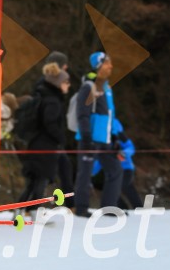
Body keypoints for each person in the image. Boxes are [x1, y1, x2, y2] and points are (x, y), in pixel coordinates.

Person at [73, 52, 124, 217]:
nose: (111, 66)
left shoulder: (107, 87)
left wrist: (115, 136)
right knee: (85, 173)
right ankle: (81, 208)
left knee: (115, 170)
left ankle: (109, 208)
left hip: (105, 139)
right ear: (99, 65)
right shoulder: (89, 86)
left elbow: (110, 115)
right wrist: (86, 135)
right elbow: (82, 113)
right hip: (90, 139)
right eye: (107, 63)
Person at [17, 62, 70, 214]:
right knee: (41, 178)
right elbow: (50, 123)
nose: (68, 85)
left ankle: (22, 209)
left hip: (37, 142)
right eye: (66, 82)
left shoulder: (45, 96)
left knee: (34, 179)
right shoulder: (53, 101)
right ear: (59, 83)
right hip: (45, 145)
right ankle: (32, 210)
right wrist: (61, 137)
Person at [43, 51, 75, 208]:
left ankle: (70, 204)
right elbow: (48, 118)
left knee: (64, 168)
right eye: (64, 65)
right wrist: (58, 136)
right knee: (46, 174)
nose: (67, 68)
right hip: (48, 139)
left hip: (54, 138)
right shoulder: (48, 87)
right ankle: (33, 206)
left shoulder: (58, 84)